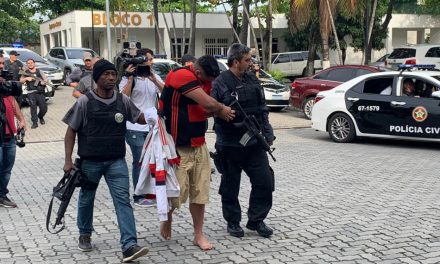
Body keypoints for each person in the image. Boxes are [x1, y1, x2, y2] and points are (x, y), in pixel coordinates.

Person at [62, 59, 149, 262]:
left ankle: (129, 245)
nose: (111, 78)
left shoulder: (123, 101)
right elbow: (70, 131)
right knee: (86, 198)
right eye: (106, 75)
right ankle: (85, 233)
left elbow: (140, 118)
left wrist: (157, 115)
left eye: (113, 74)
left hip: (116, 161)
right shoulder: (85, 101)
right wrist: (68, 160)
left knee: (123, 202)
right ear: (97, 77)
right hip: (89, 162)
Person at [159, 55, 235, 250]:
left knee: (200, 193)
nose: (209, 84)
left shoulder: (202, 80)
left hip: (199, 144)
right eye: (208, 80)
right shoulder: (181, 75)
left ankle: (198, 235)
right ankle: (167, 218)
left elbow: (205, 108)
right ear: (199, 72)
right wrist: (221, 109)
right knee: (176, 193)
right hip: (177, 146)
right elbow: (209, 104)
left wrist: (216, 109)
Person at [211, 43, 275, 238]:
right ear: (235, 61)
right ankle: (233, 221)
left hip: (254, 142)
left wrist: (267, 132)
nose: (250, 63)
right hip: (230, 143)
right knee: (230, 186)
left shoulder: (252, 80)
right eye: (247, 60)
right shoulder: (220, 82)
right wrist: (222, 113)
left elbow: (262, 108)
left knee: (264, 181)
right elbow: (211, 108)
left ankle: (256, 220)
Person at [119, 48, 164, 206]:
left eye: (151, 59)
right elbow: (122, 98)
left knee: (153, 159)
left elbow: (166, 93)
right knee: (140, 160)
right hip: (134, 127)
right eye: (146, 59)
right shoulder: (129, 78)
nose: (149, 62)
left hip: (152, 126)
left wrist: (154, 79)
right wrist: (130, 78)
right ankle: (138, 195)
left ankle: (151, 192)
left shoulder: (154, 76)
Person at [0, 56, 27, 208]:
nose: (2, 66)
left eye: (3, 63)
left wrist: (21, 119)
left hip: (10, 133)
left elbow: (12, 101)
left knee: (6, 169)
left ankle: (2, 195)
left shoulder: (4, 83)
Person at [19, 59, 48, 129]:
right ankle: (34, 122)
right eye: (28, 63)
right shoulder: (25, 72)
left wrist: (43, 82)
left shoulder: (39, 71)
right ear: (27, 65)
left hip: (40, 92)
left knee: (44, 108)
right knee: (33, 108)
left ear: (34, 63)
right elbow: (21, 81)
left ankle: (40, 116)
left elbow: (46, 80)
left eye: (31, 63)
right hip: (31, 93)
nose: (30, 64)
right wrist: (26, 78)